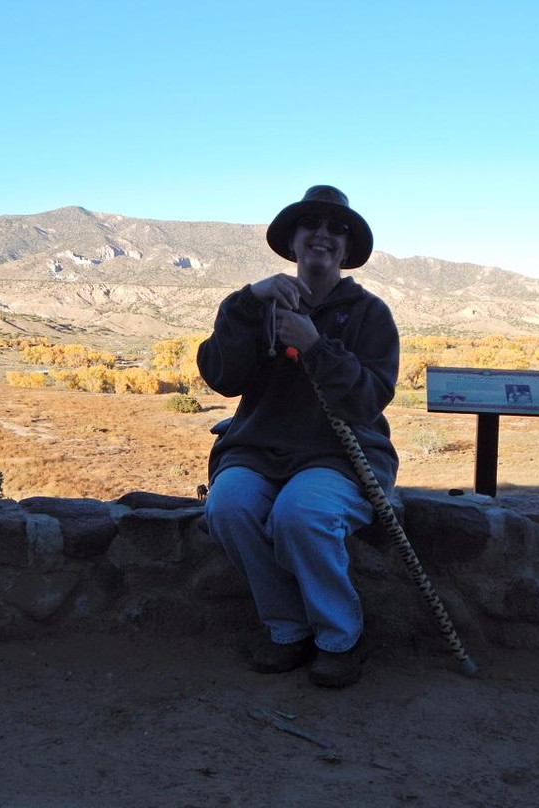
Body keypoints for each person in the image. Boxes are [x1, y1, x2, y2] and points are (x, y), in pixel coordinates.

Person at [197, 185, 400, 688]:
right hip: (258, 448)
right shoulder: (260, 304)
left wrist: (316, 347)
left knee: (300, 515)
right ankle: (285, 626)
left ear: (348, 250)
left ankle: (340, 636)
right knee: (228, 506)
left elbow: (369, 398)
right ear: (292, 240)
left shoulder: (370, 315)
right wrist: (245, 303)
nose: (323, 236)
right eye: (312, 225)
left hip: (337, 456)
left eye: (337, 229)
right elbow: (222, 376)